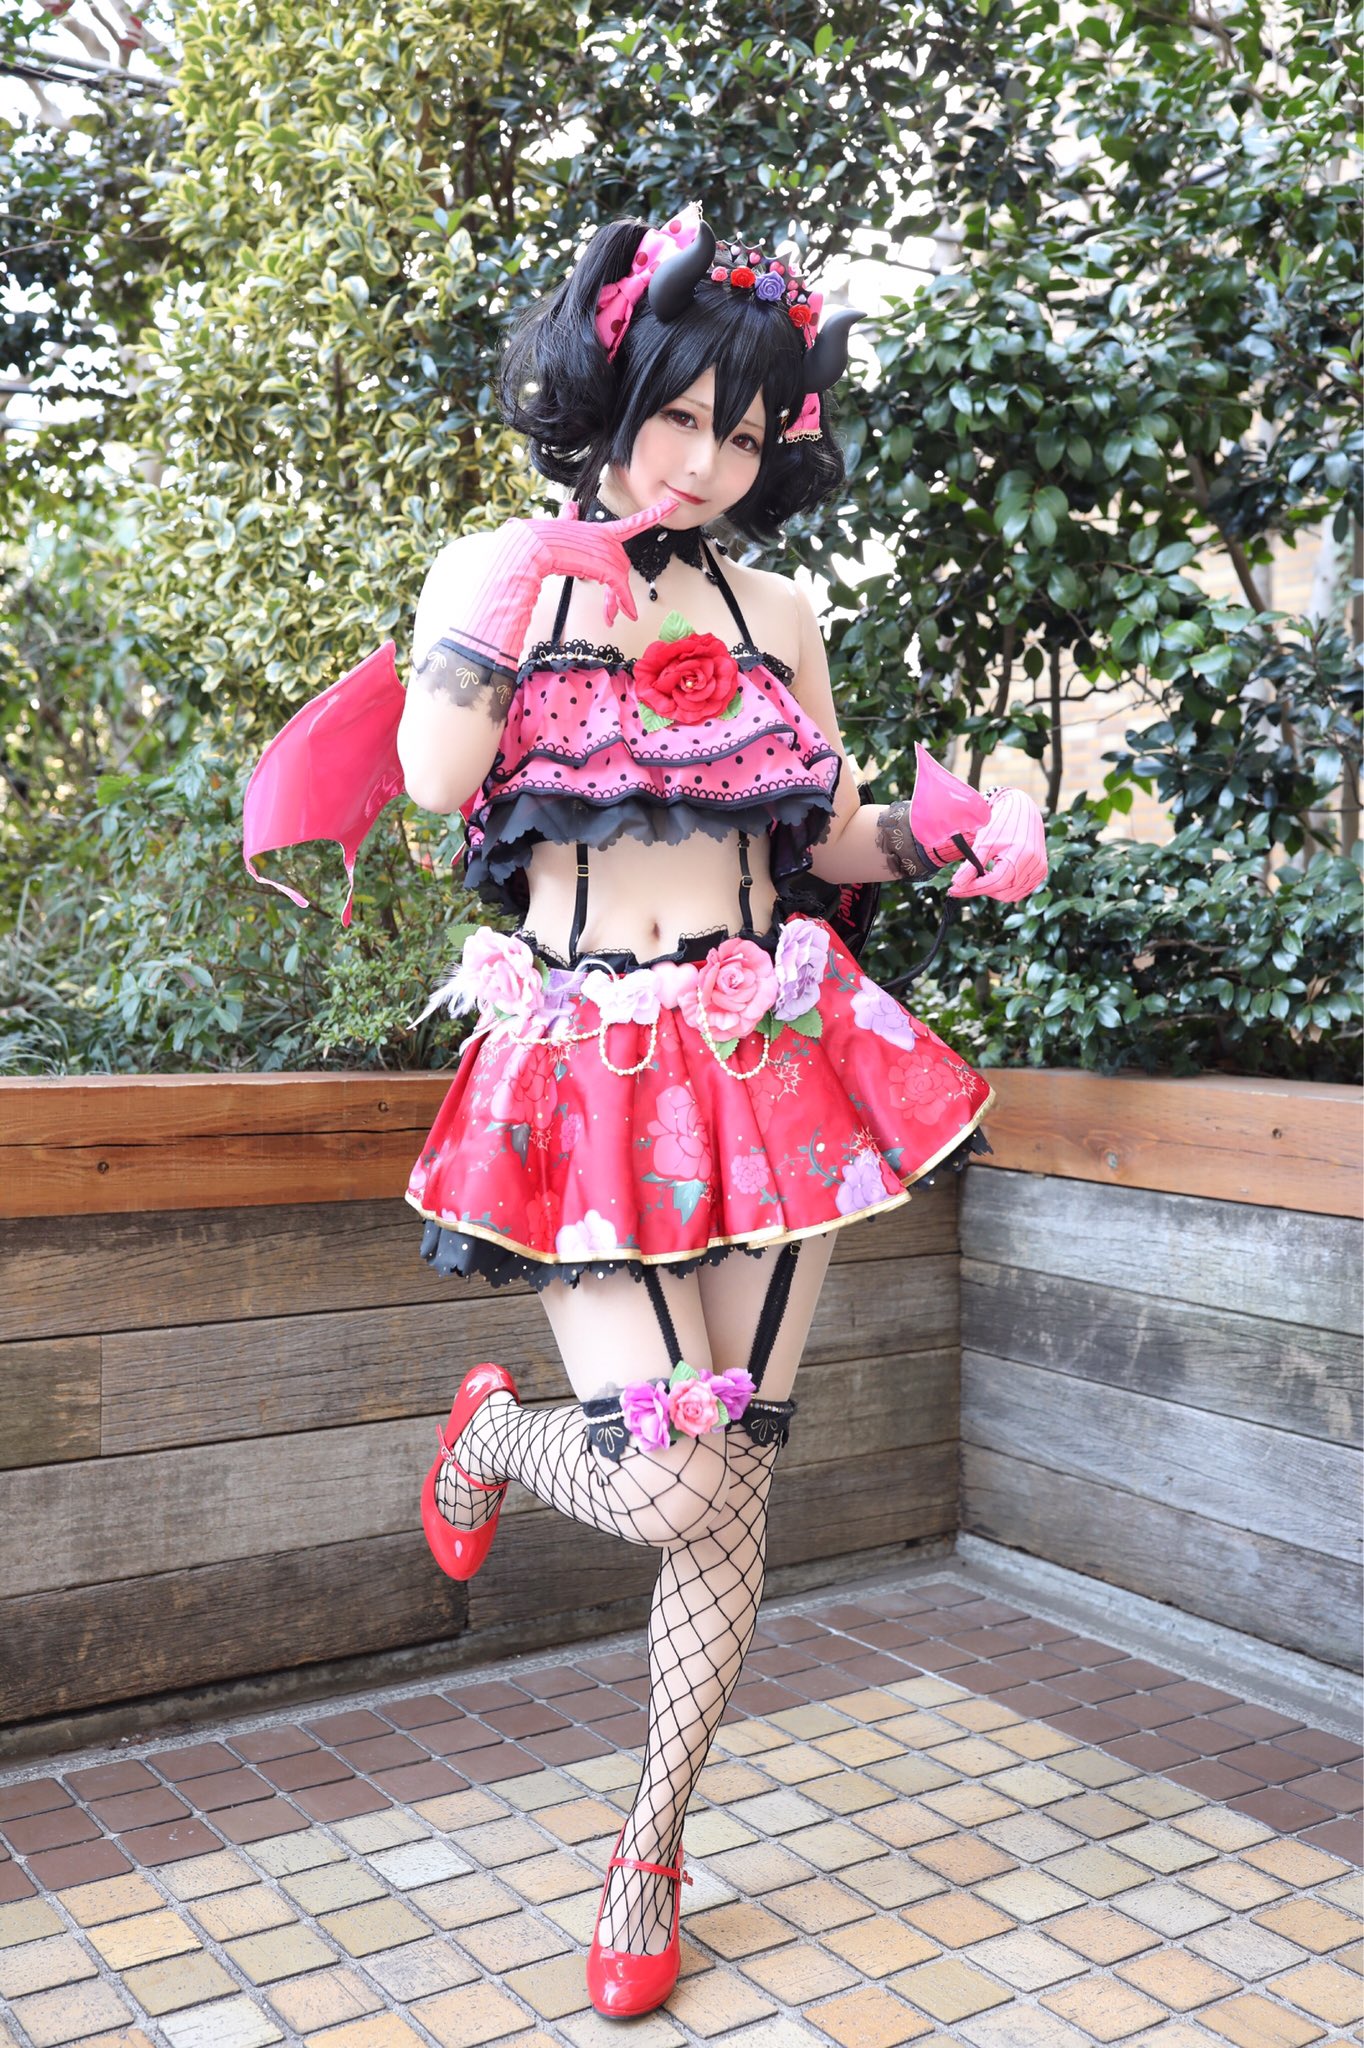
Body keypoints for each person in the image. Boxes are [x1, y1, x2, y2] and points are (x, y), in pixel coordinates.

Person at [243, 203, 1047, 2020]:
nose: (704, 464)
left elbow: (824, 833)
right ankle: (496, 1440)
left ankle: (652, 1841)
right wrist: (522, 603)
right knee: (669, 1477)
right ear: (607, 396)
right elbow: (439, 781)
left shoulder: (778, 611)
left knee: (734, 1477)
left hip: (776, 1056)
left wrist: (951, 835)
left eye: (741, 434)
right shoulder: (496, 571)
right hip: (588, 1069)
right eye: (678, 417)